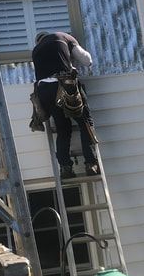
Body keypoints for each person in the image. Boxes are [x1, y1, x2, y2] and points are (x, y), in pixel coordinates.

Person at [31, 31, 99, 179]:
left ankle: (65, 168)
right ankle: (91, 163)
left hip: (44, 91)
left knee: (63, 129)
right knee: (85, 122)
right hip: (64, 86)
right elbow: (86, 60)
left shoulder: (36, 51)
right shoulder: (62, 37)